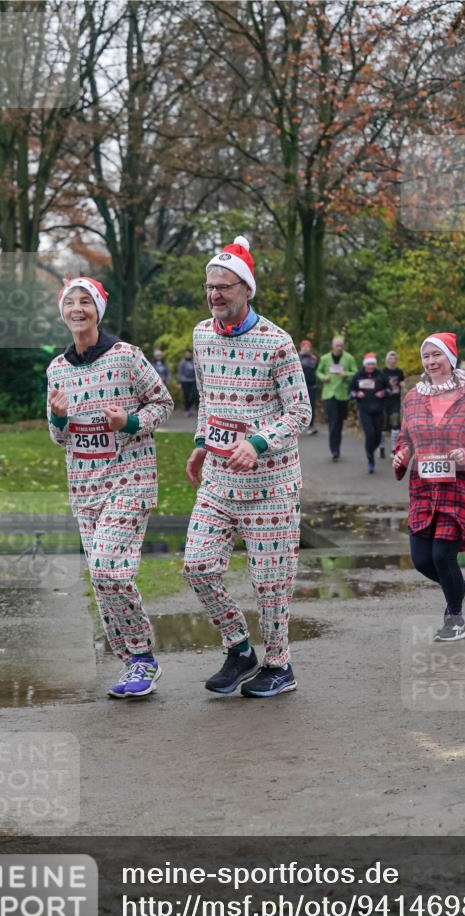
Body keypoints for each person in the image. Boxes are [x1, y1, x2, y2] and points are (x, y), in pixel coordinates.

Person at [183, 236, 311, 698]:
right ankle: (239, 648)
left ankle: (279, 665)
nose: (214, 294)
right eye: (209, 286)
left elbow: (300, 412)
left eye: (224, 286)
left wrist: (257, 443)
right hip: (218, 480)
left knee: (269, 584)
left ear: (246, 289)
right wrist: (202, 444)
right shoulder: (201, 335)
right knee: (198, 566)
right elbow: (207, 398)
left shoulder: (277, 342)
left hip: (271, 485)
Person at [47, 277, 174, 699]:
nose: (77, 309)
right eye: (70, 302)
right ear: (63, 312)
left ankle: (143, 656)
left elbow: (164, 403)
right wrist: (59, 418)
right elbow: (58, 436)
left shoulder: (126, 356)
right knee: (102, 582)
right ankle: (132, 661)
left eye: (85, 302)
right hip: (85, 488)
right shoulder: (57, 369)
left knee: (106, 568)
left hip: (130, 480)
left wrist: (130, 422)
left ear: (98, 311)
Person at [393, 332, 465, 640]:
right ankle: (458, 586)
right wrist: (402, 454)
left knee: (442, 556)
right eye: (427, 356)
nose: (431, 361)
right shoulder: (412, 398)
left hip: (458, 491)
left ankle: (455, 620)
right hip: (423, 490)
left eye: (437, 355)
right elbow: (405, 438)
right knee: (422, 560)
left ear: (450, 359)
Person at [316, 335, 357, 460]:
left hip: (342, 394)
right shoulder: (325, 358)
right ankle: (334, 450)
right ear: (332, 346)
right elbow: (318, 371)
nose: (339, 348)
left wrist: (346, 374)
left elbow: (355, 373)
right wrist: (324, 377)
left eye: (341, 345)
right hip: (329, 394)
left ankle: (336, 446)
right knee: (333, 422)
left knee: (339, 423)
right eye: (337, 345)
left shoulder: (349, 358)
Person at [349, 353, 390, 473]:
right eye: (369, 364)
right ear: (365, 365)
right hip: (364, 409)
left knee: (377, 436)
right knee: (370, 434)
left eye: (373, 364)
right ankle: (370, 459)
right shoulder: (358, 375)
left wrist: (383, 393)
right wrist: (357, 394)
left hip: (378, 409)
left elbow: (389, 390)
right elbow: (350, 392)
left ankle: (371, 451)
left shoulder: (381, 375)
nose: (371, 366)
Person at [381, 350, 405, 458]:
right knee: (383, 425)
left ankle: (393, 449)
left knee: (395, 423)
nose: (393, 360)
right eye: (391, 358)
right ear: (387, 360)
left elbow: (402, 382)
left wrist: (402, 384)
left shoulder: (399, 372)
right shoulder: (383, 372)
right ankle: (381, 446)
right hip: (384, 401)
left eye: (395, 358)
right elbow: (379, 385)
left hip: (395, 400)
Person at [299, 339, 319, 434]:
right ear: (301, 347)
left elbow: (316, 370)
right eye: (304, 346)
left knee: (311, 406)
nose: (306, 348)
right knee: (298, 406)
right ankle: (297, 425)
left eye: (308, 346)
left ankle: (311, 426)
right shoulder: (297, 357)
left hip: (311, 385)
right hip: (299, 386)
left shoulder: (313, 358)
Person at [177, 348, 199, 417]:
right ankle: (187, 409)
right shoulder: (182, 362)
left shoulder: (194, 361)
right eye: (186, 354)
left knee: (193, 396)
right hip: (185, 381)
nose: (187, 355)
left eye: (189, 354)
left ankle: (190, 407)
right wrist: (179, 382)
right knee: (186, 396)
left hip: (193, 381)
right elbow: (180, 373)